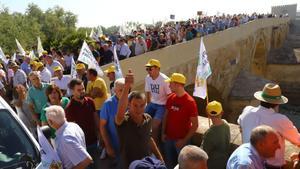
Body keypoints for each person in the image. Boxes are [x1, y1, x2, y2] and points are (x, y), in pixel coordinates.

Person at [238, 83, 300, 168]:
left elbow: (240, 124)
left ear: (261, 99)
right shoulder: (280, 119)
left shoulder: (247, 110)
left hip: (248, 160)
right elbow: (298, 140)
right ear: (277, 103)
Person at [115, 70, 163, 169]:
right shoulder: (124, 120)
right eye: (135, 105)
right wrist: (127, 86)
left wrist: (160, 159)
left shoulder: (148, 118)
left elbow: (149, 138)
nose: (139, 109)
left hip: (147, 164)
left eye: (142, 105)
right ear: (128, 105)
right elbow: (120, 113)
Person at [162, 73, 198, 169]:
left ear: (178, 84)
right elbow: (166, 116)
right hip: (168, 139)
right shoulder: (170, 98)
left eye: (171, 83)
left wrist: (184, 140)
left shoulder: (190, 102)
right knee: (169, 163)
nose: (169, 85)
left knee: (183, 166)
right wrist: (163, 133)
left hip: (181, 140)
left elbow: (195, 125)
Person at [65, 79, 100, 169]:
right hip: (82, 148)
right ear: (72, 91)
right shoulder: (69, 108)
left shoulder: (90, 101)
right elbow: (72, 130)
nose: (82, 91)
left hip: (95, 142)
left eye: (83, 89)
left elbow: (96, 119)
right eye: (79, 90)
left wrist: (100, 136)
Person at [144, 59, 171, 145]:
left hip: (162, 105)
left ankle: (155, 146)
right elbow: (147, 92)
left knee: (155, 126)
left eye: (150, 69)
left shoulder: (165, 80)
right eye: (147, 69)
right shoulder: (148, 78)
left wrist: (168, 111)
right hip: (152, 103)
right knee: (140, 118)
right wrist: (148, 105)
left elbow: (169, 96)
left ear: (157, 69)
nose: (148, 71)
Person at [99, 78, 125, 168]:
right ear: (114, 90)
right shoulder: (108, 104)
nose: (124, 92)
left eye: (126, 90)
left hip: (130, 146)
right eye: (121, 90)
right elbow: (102, 126)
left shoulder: (132, 100)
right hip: (115, 146)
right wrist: (108, 146)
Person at [201, 101, 230, 169]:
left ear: (207, 114)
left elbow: (203, 153)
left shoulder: (209, 133)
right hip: (224, 162)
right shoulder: (226, 124)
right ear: (222, 112)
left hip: (213, 165)